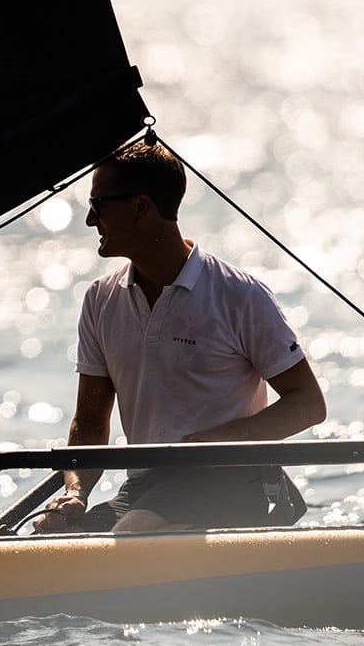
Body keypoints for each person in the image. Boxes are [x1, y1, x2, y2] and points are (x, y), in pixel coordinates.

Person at [33, 136, 326, 534]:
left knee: (128, 535)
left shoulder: (240, 295)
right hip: (145, 488)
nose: (89, 220)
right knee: (54, 541)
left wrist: (212, 442)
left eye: (98, 205)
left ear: (141, 207)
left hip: (231, 482)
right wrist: (76, 491)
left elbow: (308, 404)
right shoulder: (99, 299)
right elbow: (89, 421)